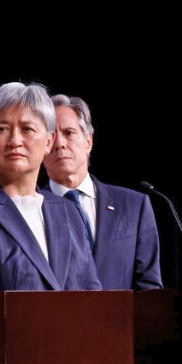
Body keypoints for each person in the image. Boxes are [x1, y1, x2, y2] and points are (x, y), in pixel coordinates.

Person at [0, 82, 102, 291]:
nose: (15, 141)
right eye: (2, 129)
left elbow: (93, 296)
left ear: (49, 142)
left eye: (28, 129)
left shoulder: (69, 212)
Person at [42, 94, 162, 290]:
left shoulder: (134, 206)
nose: (60, 143)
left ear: (88, 141)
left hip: (122, 320)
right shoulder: (33, 209)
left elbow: (149, 290)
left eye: (69, 133)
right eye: (52, 136)